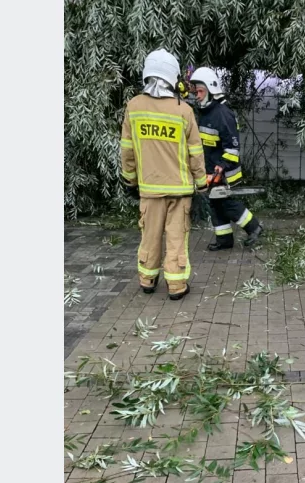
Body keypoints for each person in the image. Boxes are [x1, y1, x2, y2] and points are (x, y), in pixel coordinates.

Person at [120, 49, 207, 300]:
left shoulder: (134, 107)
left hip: (149, 188)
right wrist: (201, 183)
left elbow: (127, 150)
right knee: (177, 236)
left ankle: (147, 280)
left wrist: (130, 180)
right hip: (180, 190)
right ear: (173, 77)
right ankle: (176, 286)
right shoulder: (183, 111)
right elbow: (196, 153)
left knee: (150, 235)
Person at [188, 67, 264, 250]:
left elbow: (232, 148)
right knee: (215, 205)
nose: (197, 95)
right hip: (211, 170)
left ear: (211, 90)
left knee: (226, 203)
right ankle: (224, 240)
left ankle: (255, 227)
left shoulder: (223, 114)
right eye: (196, 91)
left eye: (200, 91)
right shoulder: (205, 113)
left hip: (225, 172)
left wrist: (220, 168)